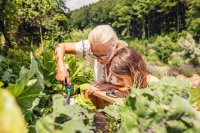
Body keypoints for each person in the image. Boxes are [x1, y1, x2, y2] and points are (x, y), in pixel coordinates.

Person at [55, 25, 128, 90]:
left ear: (115, 47)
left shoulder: (126, 57)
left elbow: (134, 88)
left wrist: (110, 86)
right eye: (95, 55)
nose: (99, 60)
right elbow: (61, 46)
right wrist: (60, 68)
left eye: (104, 56)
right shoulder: (91, 46)